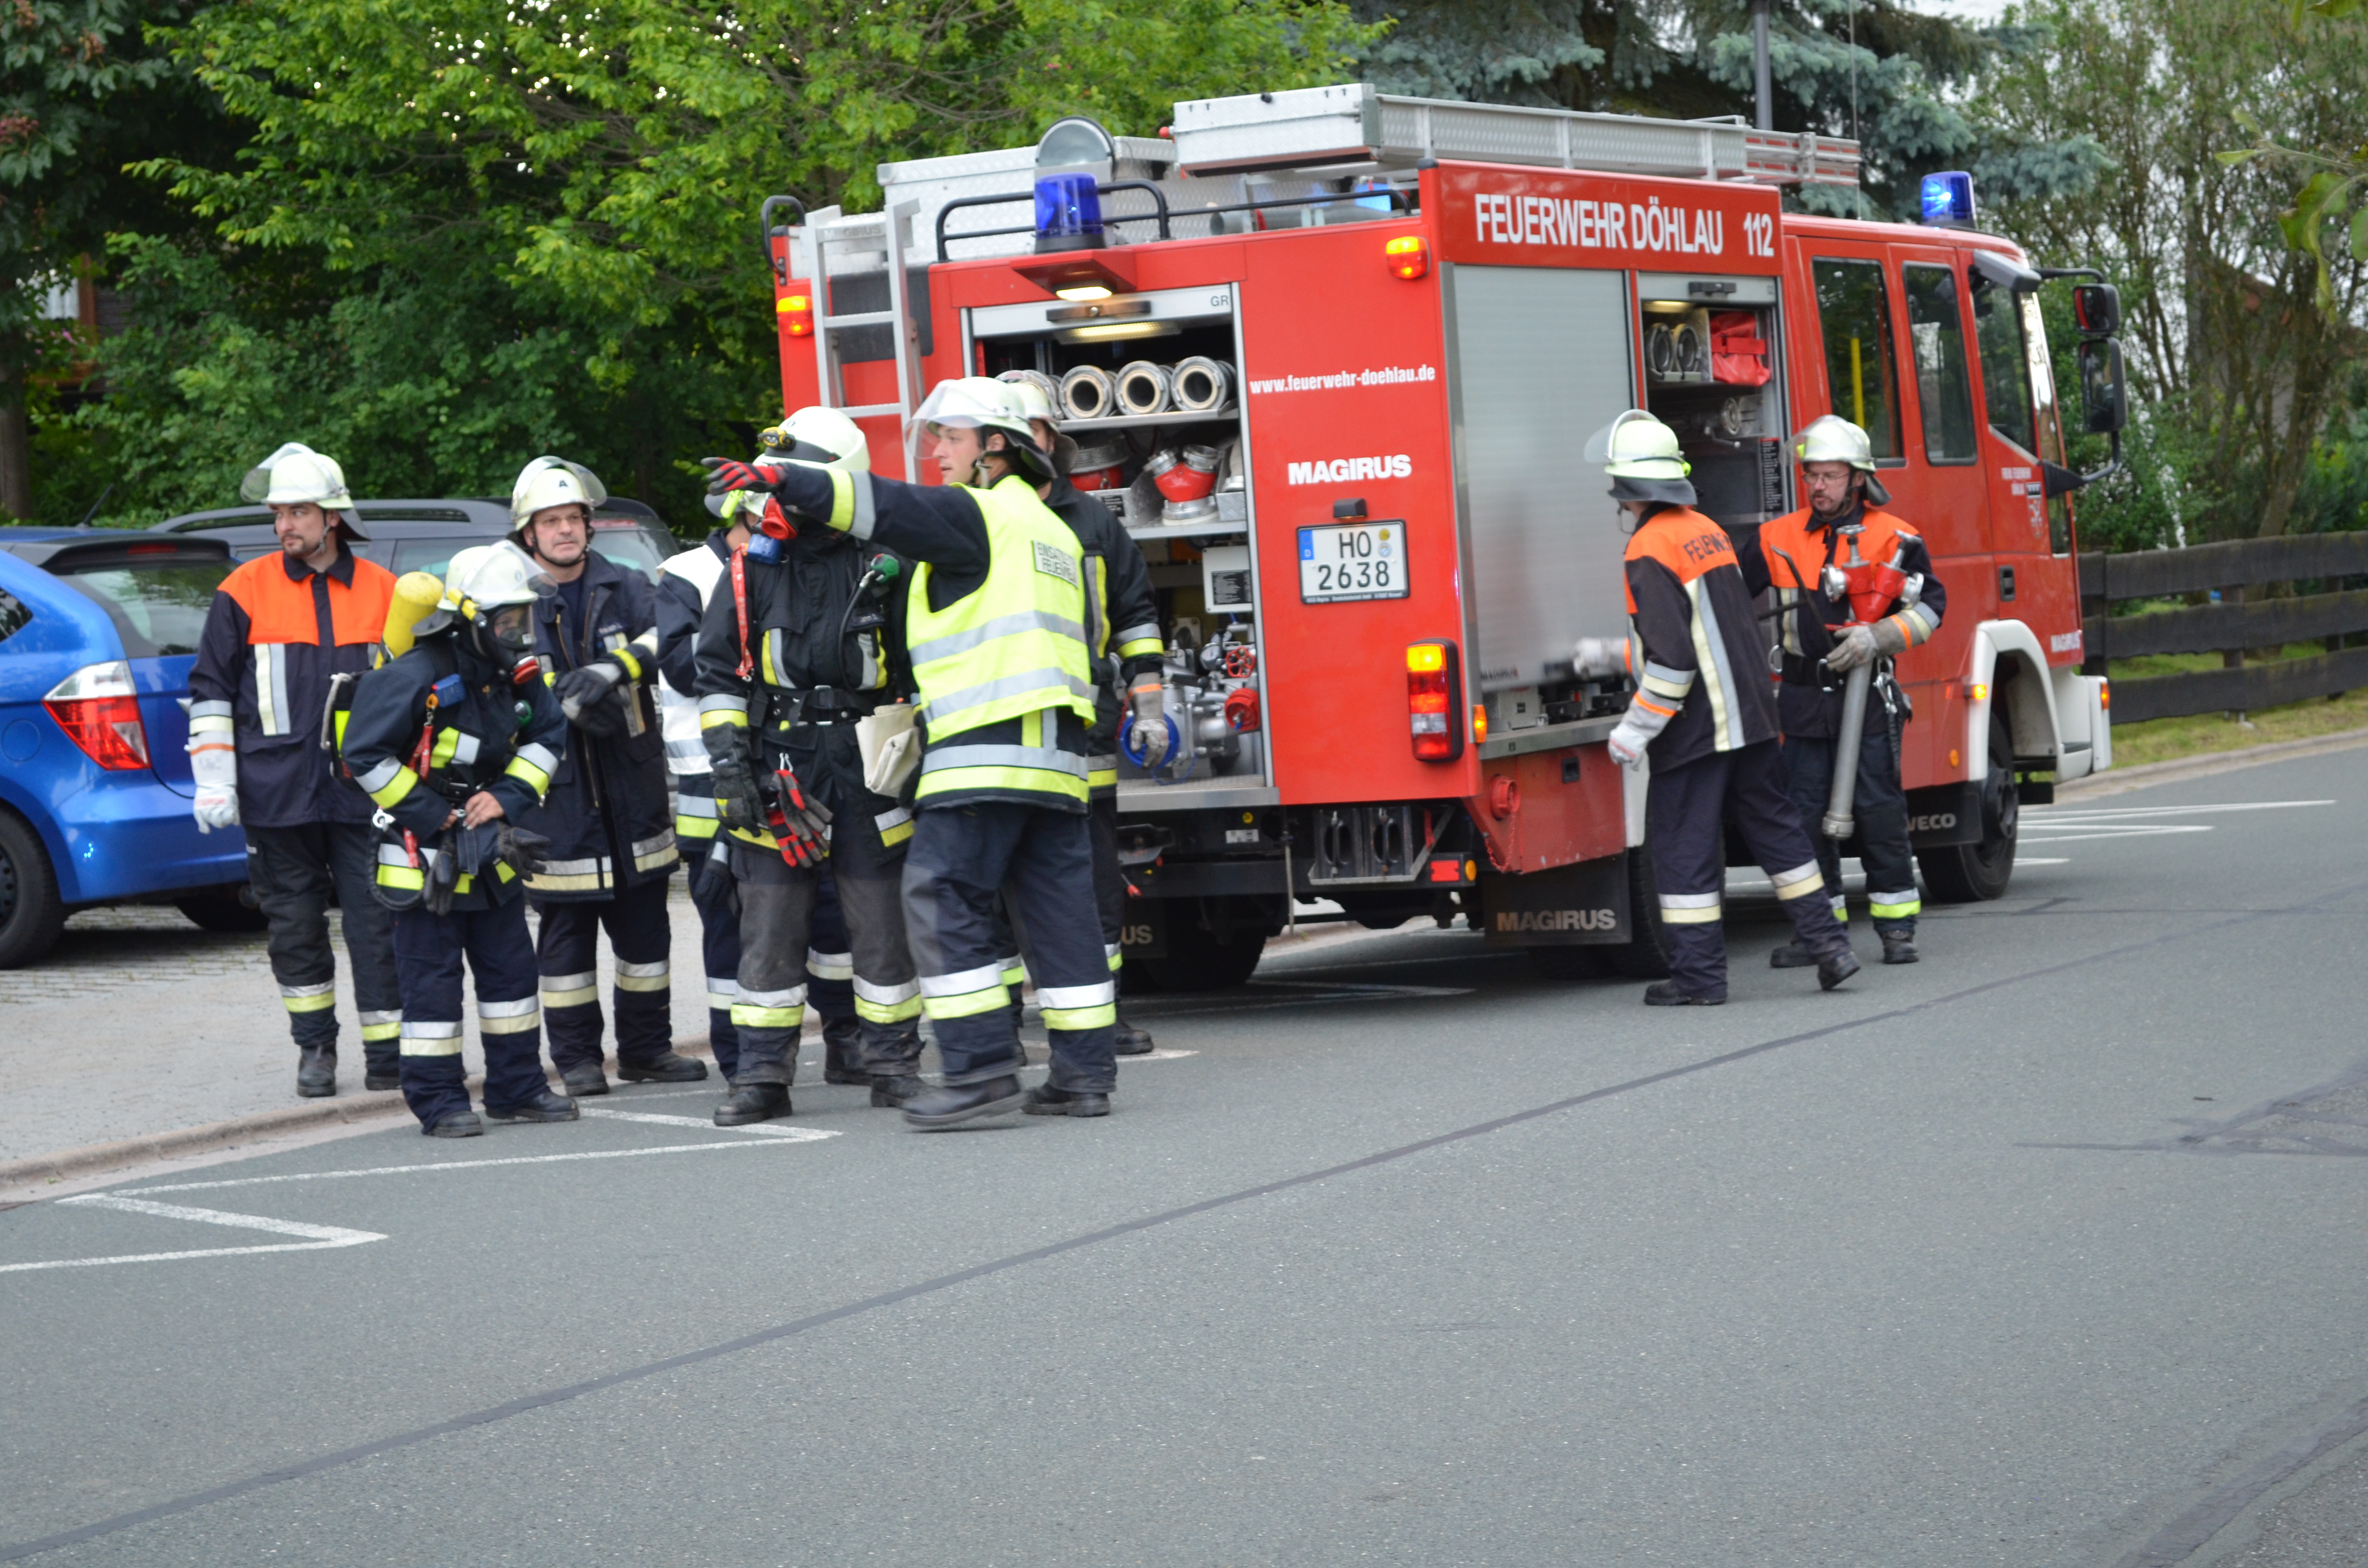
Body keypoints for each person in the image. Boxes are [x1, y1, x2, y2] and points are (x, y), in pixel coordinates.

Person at [702, 376, 1118, 1127]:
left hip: (986, 749)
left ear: (998, 447)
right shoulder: (1059, 533)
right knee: (1060, 914)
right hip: (1057, 758)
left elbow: (884, 504)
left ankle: (980, 1071)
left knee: (938, 895)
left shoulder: (979, 515)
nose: (936, 452)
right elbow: (1094, 645)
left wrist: (780, 475)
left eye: (950, 437)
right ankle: (1085, 1076)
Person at [691, 407, 926, 1125]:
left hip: (867, 764)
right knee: (768, 926)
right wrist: (732, 763)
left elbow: (920, 670)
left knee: (881, 924)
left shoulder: (889, 564)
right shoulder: (752, 566)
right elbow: (720, 674)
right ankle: (762, 1078)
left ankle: (894, 1065)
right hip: (780, 764)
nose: (784, 496)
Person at [1592, 410, 1860, 1005]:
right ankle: (1830, 948)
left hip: (1696, 732)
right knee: (1780, 837)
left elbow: (1672, 661)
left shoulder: (1646, 546)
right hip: (1753, 714)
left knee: (1684, 847)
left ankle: (1698, 979)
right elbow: (1712, 624)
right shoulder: (1703, 529)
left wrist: (1633, 731)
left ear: (1626, 487)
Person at [341, 542, 580, 1136]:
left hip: (490, 853)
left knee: (510, 979)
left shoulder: (514, 674)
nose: (517, 633)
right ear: (469, 619)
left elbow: (550, 733)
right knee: (432, 989)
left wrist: (509, 797)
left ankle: (517, 1089)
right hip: (423, 866)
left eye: (520, 619)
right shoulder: (415, 675)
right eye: (505, 621)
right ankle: (440, 1101)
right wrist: (431, 813)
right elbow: (362, 755)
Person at [187, 443, 402, 1098]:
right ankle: (315, 1051)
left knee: (380, 923)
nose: (286, 525)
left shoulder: (383, 590)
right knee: (294, 929)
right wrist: (216, 780)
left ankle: (389, 1053)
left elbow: (414, 695)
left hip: (367, 796)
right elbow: (211, 691)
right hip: (275, 795)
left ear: (333, 517)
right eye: (279, 513)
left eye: (300, 512)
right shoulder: (243, 589)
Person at [654, 471, 868, 1088]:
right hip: (711, 781)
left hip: (790, 775)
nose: (772, 532)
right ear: (733, 520)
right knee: (735, 929)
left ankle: (845, 1041)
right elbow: (688, 663)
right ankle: (740, 1059)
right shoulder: (688, 573)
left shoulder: (785, 564)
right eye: (758, 523)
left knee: (829, 923)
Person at [509, 457, 705, 1095]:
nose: (565, 530)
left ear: (588, 527)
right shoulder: (510, 601)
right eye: (551, 521)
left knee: (646, 940)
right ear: (528, 532)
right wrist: (561, 710)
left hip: (632, 788)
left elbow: (671, 634)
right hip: (554, 802)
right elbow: (497, 688)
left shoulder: (625, 585)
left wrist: (614, 670)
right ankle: (579, 1063)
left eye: (573, 519)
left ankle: (647, 1049)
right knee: (564, 949)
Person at [1734, 415, 1947, 967]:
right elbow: (1730, 590)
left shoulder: (1895, 538)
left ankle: (1896, 928)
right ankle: (1818, 932)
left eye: (1829, 476)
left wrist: (1880, 635)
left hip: (1867, 698)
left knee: (1878, 810)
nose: (1818, 487)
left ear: (1856, 479)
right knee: (1803, 818)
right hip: (1803, 697)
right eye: (1811, 477)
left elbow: (1932, 607)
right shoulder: (1775, 537)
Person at [998, 370, 1166, 1054]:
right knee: (995, 883)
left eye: (1036, 432)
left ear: (1052, 441)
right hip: (1000, 731)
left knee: (1092, 881)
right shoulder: (972, 519)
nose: (1027, 445)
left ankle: (1101, 1016)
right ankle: (999, 1024)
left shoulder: (1092, 521)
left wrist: (1148, 706)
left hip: (1083, 734)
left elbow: (1134, 616)